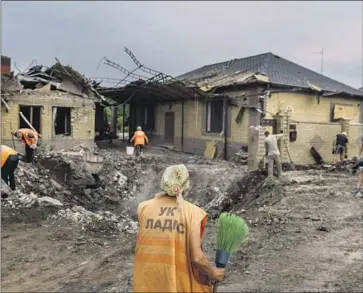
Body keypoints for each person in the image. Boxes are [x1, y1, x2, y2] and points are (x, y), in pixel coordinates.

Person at [133, 164, 225, 292]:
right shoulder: (193, 213)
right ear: (185, 185)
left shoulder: (144, 208)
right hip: (176, 286)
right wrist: (213, 273)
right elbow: (197, 258)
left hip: (146, 285)